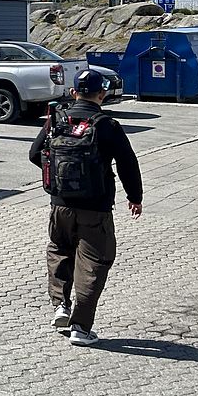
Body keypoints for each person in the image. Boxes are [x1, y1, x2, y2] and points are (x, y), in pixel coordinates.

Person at [28, 69, 144, 346]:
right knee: (94, 262)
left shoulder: (57, 119)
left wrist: (60, 175)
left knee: (59, 251)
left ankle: (61, 306)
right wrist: (134, 197)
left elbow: (34, 154)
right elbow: (128, 164)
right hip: (95, 207)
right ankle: (80, 328)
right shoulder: (107, 125)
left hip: (60, 206)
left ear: (73, 93)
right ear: (102, 94)